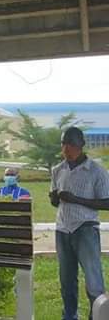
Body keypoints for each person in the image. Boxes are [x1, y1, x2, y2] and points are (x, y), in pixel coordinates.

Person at [50, 127, 109, 320]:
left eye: (71, 145)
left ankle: (98, 315)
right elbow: (55, 201)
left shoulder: (96, 171)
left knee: (93, 280)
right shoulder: (58, 170)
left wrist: (76, 199)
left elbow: (106, 202)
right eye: (64, 144)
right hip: (62, 229)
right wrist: (54, 198)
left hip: (85, 228)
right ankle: (69, 316)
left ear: (81, 146)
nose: (67, 149)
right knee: (67, 280)